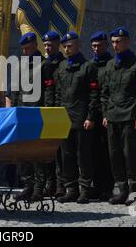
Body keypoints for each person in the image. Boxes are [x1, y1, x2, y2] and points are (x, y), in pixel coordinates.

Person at [102, 27, 136, 205]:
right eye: (113, 42)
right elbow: (105, 92)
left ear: (127, 42)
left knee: (131, 155)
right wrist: (106, 113)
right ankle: (121, 190)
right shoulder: (110, 65)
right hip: (113, 116)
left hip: (130, 115)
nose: (115, 45)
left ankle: (134, 192)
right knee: (115, 155)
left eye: (118, 41)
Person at [54, 32, 99, 204]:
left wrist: (90, 117)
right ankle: (71, 188)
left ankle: (85, 189)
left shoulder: (87, 67)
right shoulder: (62, 66)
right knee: (67, 156)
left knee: (83, 156)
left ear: (78, 45)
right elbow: (58, 94)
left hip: (82, 119)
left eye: (70, 46)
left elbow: (94, 95)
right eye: (64, 46)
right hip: (65, 119)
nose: (66, 49)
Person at [11, 32, 45, 201]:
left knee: (36, 154)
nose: (25, 53)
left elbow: (48, 92)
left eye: (28, 49)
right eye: (23, 50)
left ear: (35, 46)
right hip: (23, 114)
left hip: (37, 113)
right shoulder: (21, 66)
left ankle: (39, 188)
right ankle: (27, 185)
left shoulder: (44, 65)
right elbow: (16, 92)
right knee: (23, 153)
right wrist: (15, 112)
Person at [33, 31, 65, 200]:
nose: (47, 47)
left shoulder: (63, 64)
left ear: (58, 44)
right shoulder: (43, 64)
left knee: (59, 152)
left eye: (50, 44)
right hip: (45, 111)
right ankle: (49, 184)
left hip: (59, 111)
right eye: (45, 45)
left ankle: (60, 185)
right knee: (47, 152)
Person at [89, 31, 115, 201]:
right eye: (94, 46)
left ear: (106, 45)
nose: (97, 49)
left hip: (108, 114)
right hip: (93, 114)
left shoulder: (111, 64)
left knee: (108, 153)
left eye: (99, 45)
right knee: (94, 153)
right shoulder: (90, 65)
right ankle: (97, 186)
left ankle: (108, 187)